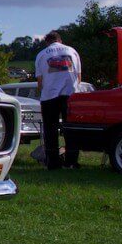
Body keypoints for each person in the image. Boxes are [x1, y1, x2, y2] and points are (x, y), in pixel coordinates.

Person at [35, 30, 81, 169]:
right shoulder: (72, 51)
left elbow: (40, 80)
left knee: (50, 130)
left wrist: (41, 92)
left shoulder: (42, 54)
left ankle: (53, 162)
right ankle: (71, 161)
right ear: (60, 40)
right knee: (71, 129)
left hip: (50, 95)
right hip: (70, 95)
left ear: (47, 42)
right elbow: (79, 76)